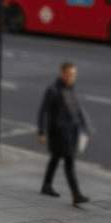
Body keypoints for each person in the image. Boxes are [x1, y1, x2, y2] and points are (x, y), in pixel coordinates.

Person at [37, 62, 91, 207]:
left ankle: (46, 185)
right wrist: (41, 131)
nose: (72, 77)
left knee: (55, 158)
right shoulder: (54, 90)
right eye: (69, 74)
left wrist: (85, 124)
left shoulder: (70, 89)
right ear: (62, 73)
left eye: (74, 74)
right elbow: (44, 111)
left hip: (70, 132)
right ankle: (76, 194)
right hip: (59, 133)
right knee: (69, 162)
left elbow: (76, 109)